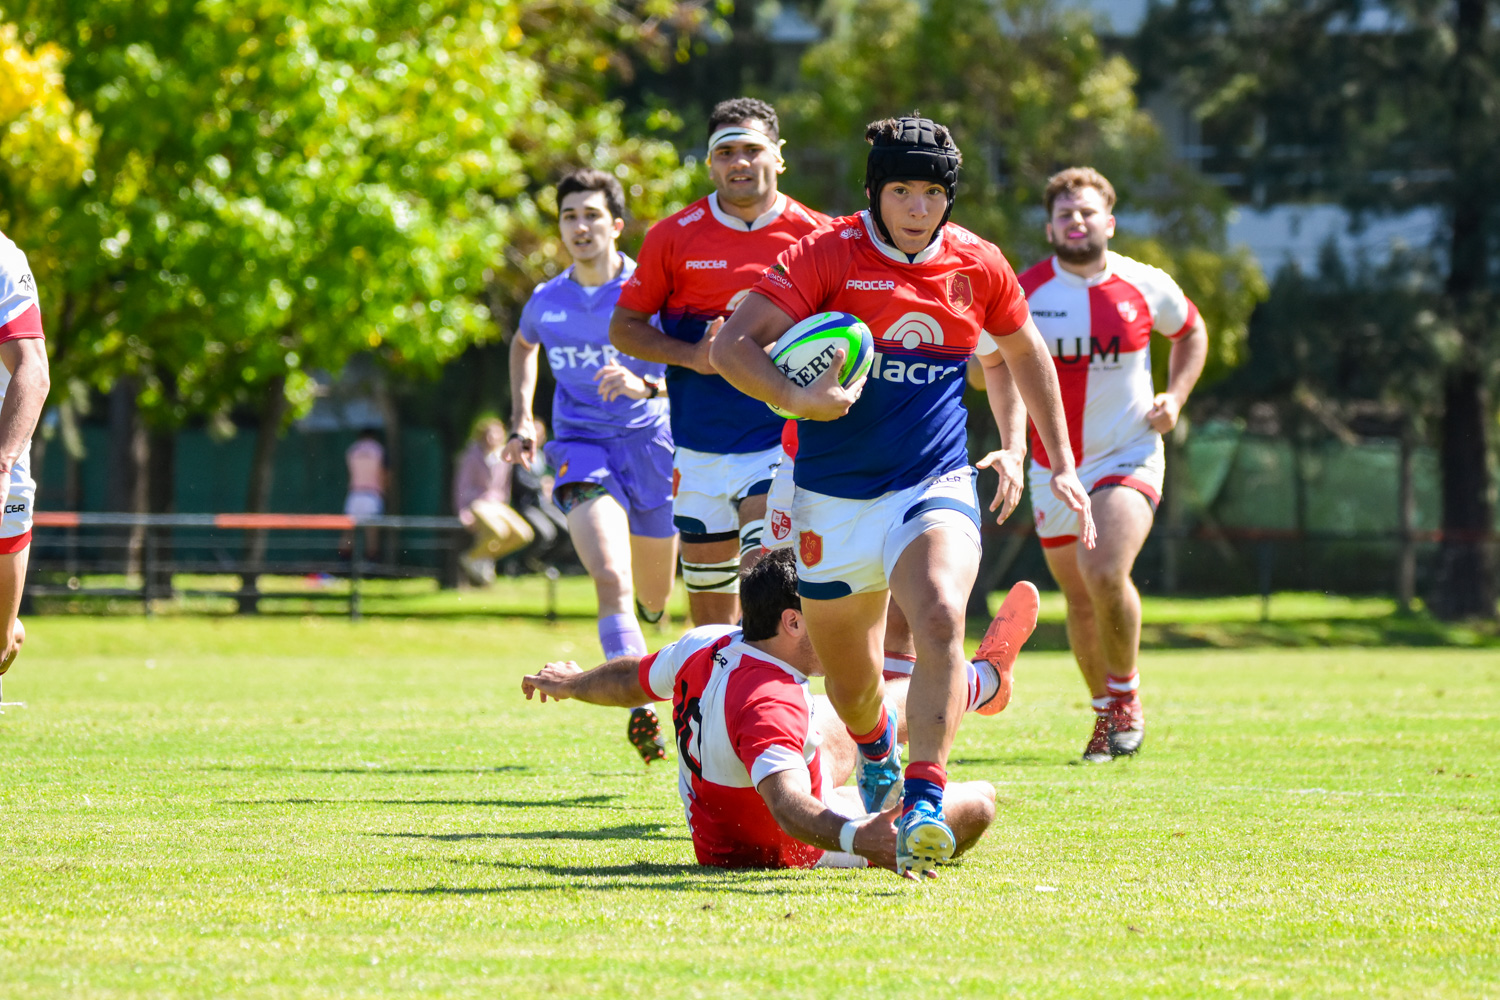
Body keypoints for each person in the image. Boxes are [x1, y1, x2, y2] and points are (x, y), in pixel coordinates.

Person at [711, 116, 1095, 876]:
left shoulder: (977, 263)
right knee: (849, 685)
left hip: (933, 481)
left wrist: (1060, 461)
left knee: (941, 613)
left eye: (931, 193)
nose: (918, 207)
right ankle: (879, 752)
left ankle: (924, 795)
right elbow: (731, 345)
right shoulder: (826, 254)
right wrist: (798, 398)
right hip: (831, 498)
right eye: (901, 191)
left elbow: (1023, 352)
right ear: (874, 193)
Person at [521, 550, 1035, 873]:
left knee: (874, 700)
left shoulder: (707, 642)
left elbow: (628, 679)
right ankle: (892, 795)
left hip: (731, 813)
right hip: (778, 846)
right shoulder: (771, 701)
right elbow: (788, 807)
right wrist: (862, 837)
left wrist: (570, 683)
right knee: (981, 802)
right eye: (825, 612)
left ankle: (986, 680)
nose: (840, 623)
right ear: (792, 621)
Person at [610, 97, 831, 627]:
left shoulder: (821, 237)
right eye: (725, 152)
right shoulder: (672, 236)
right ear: (709, 164)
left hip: (779, 441)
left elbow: (850, 332)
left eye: (752, 149)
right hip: (699, 445)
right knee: (709, 616)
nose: (739, 162)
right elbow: (625, 328)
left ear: (778, 156)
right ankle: (713, 706)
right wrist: (692, 355)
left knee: (765, 580)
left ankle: (774, 703)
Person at [1016, 167, 1208, 763]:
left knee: (1101, 570)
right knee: (1077, 597)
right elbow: (985, 363)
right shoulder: (1025, 291)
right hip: (1053, 465)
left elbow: (1192, 333)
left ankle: (1126, 699)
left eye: (1087, 211)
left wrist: (1174, 399)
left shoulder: (1146, 284)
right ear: (1050, 227)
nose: (1077, 221)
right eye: (1065, 214)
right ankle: (1105, 717)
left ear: (1110, 222)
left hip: (1129, 453)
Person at [504, 168, 678, 765]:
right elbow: (524, 344)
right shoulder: (546, 301)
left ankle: (651, 619)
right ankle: (638, 706)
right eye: (569, 216)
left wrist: (647, 386)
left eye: (592, 216)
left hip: (652, 450)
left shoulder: (649, 292)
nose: (580, 226)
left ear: (616, 226)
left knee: (655, 596)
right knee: (611, 579)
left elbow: (694, 363)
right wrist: (522, 419)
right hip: (581, 449)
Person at [0, 231, 51, 690]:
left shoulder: (2, 258)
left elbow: (33, 368)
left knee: (1, 646)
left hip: (2, 460)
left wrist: (1, 464)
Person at [454, 418, 534, 586]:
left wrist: (503, 505)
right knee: (498, 532)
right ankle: (475, 560)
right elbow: (462, 485)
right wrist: (463, 511)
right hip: (477, 502)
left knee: (524, 534)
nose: (493, 438)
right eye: (489, 434)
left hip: (497, 504)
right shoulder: (471, 456)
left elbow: (504, 486)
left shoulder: (503, 456)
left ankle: (476, 558)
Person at [342, 429, 386, 560]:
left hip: (355, 493)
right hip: (372, 493)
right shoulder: (378, 449)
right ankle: (371, 561)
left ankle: (344, 561)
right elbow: (383, 473)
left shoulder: (353, 450)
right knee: (372, 531)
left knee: (348, 530)